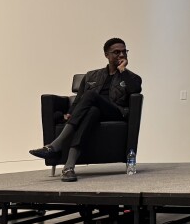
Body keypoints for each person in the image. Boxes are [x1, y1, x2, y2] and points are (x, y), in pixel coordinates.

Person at [29, 38, 142, 182]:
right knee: (92, 111)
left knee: (91, 95)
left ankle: (55, 145)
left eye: (124, 51)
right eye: (116, 52)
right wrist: (71, 113)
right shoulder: (91, 76)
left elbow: (136, 90)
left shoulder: (132, 77)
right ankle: (68, 168)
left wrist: (123, 71)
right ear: (106, 55)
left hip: (115, 113)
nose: (121, 55)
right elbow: (79, 99)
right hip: (95, 112)